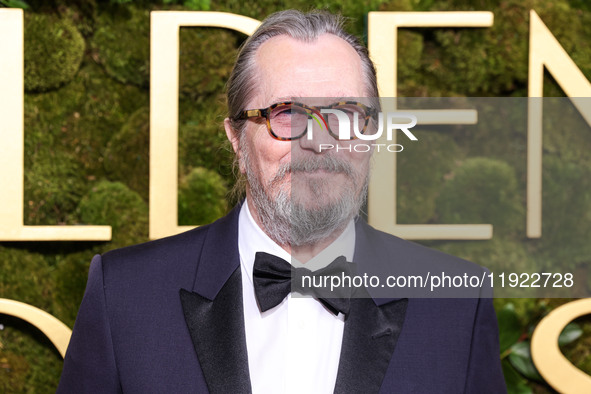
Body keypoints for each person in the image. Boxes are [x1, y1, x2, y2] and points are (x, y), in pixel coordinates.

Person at [58, 9, 506, 393]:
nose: (318, 142)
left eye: (346, 114)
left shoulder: (457, 305)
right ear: (236, 138)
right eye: (287, 114)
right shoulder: (123, 295)